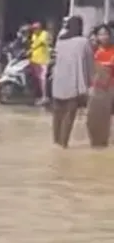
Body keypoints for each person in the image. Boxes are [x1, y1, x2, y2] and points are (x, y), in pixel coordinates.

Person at [52, 15, 94, 148]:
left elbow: (55, 59)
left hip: (58, 81)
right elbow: (89, 63)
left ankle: (56, 142)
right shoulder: (83, 42)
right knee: (69, 115)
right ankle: (64, 144)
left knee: (57, 114)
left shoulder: (60, 41)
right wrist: (89, 82)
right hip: (74, 81)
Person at [89, 24, 114, 148]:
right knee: (92, 120)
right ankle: (95, 145)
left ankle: (103, 143)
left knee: (105, 119)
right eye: (101, 34)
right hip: (94, 89)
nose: (103, 37)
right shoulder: (93, 51)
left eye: (106, 34)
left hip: (109, 89)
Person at [29, 21, 52, 104]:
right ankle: (38, 96)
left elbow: (41, 43)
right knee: (36, 79)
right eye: (33, 29)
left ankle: (45, 97)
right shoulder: (34, 35)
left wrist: (32, 48)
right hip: (34, 60)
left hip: (43, 60)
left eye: (36, 28)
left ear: (40, 28)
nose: (34, 30)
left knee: (42, 79)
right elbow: (32, 45)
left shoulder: (44, 34)